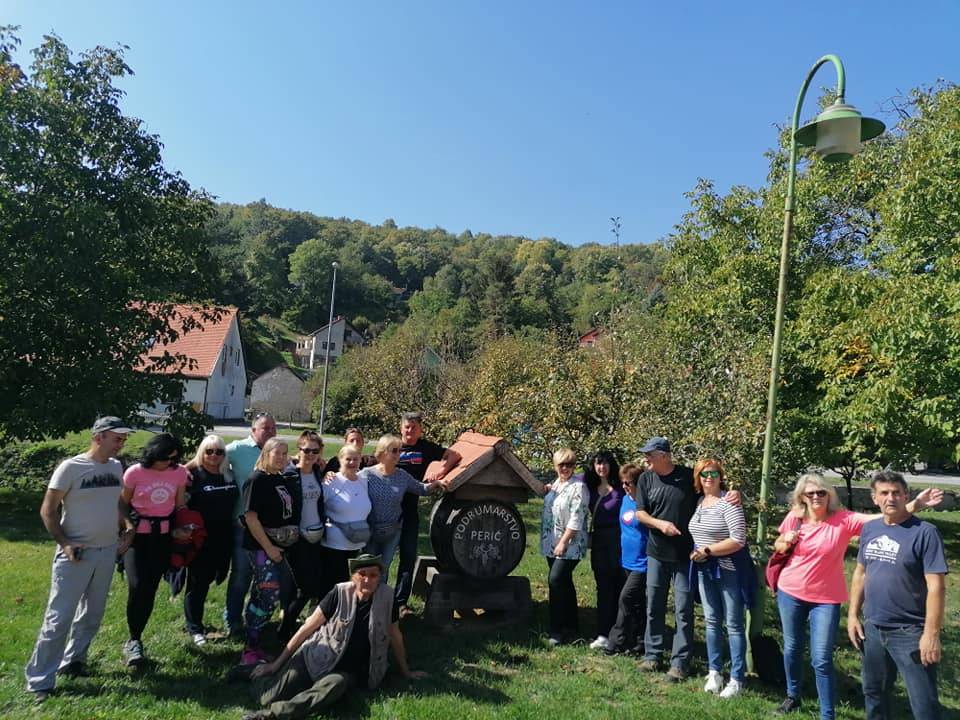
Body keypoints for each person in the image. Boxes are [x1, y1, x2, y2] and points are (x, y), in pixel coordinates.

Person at [771, 472, 941, 718]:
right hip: (791, 591)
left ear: (829, 495)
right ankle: (792, 695)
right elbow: (779, 544)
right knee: (792, 648)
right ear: (802, 497)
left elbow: (884, 515)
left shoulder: (844, 520)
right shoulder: (795, 518)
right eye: (810, 493)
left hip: (826, 598)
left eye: (821, 492)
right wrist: (784, 542)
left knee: (821, 658)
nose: (816, 497)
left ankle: (827, 714)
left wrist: (917, 504)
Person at [25, 416, 134, 703]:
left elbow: (116, 501)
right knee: (58, 618)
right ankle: (39, 680)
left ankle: (73, 661)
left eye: (124, 438)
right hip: (75, 555)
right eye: (117, 438)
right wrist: (65, 543)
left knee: (92, 614)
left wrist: (127, 525)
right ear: (98, 437)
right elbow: (48, 510)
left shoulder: (115, 466)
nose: (122, 443)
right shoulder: (70, 468)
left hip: (107, 551)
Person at [242, 554, 425, 720]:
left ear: (380, 578)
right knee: (268, 696)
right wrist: (276, 665)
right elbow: (306, 628)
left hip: (346, 670)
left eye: (373, 575)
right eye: (362, 574)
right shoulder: (339, 593)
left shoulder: (388, 598)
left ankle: (271, 715)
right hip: (316, 657)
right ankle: (249, 672)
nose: (367, 580)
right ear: (353, 577)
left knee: (333, 686)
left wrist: (406, 671)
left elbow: (395, 635)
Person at [848, 471, 947, 720]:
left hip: (910, 632)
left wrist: (931, 634)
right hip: (873, 628)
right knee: (874, 694)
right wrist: (852, 615)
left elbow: (936, 587)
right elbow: (860, 573)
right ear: (874, 498)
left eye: (896, 493)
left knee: (924, 704)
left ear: (906, 496)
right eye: (884, 493)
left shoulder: (925, 532)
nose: (890, 498)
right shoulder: (870, 529)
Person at [119, 432, 190, 667]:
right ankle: (133, 639)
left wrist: (182, 529)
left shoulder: (178, 473)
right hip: (137, 538)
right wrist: (128, 526)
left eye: (174, 458)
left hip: (163, 538)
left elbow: (179, 505)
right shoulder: (135, 472)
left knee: (149, 589)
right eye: (165, 458)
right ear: (153, 454)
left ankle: (135, 638)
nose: (169, 463)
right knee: (136, 585)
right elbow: (122, 503)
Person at [687, 458, 748, 698]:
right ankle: (715, 671)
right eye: (704, 474)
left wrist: (708, 550)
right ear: (698, 478)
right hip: (704, 568)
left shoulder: (729, 503)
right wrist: (700, 552)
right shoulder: (699, 502)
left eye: (714, 473)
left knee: (733, 624)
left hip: (727, 570)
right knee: (712, 621)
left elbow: (738, 539)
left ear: (721, 477)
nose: (709, 478)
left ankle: (737, 678)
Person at [240, 437, 301, 666]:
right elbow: (251, 518)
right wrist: (269, 548)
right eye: (278, 453)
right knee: (269, 593)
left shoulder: (279, 478)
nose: (282, 457)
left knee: (263, 594)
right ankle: (250, 647)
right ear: (266, 453)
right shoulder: (257, 479)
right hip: (261, 547)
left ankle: (255, 638)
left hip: (280, 546)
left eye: (285, 453)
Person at [394, 411, 460, 616]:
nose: (410, 431)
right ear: (400, 428)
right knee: (381, 559)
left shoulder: (426, 448)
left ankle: (400, 603)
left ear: (420, 430)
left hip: (409, 510)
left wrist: (442, 471)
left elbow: (454, 455)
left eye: (414, 427)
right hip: (386, 510)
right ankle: (376, 600)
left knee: (407, 557)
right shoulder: (392, 445)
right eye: (407, 426)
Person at [361, 435, 443, 581]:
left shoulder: (402, 476)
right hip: (370, 530)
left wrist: (437, 483)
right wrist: (330, 476)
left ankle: (382, 595)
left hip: (393, 531)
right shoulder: (367, 474)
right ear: (383, 451)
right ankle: (366, 595)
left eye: (400, 451)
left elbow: (422, 489)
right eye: (394, 450)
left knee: (383, 568)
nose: (398, 454)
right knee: (368, 568)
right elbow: (348, 481)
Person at [183, 434, 239, 646]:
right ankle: (194, 627)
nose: (214, 455)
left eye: (219, 451)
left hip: (225, 536)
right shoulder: (193, 475)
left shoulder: (228, 474)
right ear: (201, 452)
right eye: (209, 451)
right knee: (198, 583)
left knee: (216, 576)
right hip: (201, 538)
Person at [225, 413, 278, 637]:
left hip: (269, 528)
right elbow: (205, 456)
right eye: (265, 428)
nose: (271, 431)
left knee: (264, 578)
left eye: (273, 427)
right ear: (253, 430)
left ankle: (255, 618)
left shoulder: (276, 451)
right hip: (243, 526)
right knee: (241, 575)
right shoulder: (237, 449)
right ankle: (233, 620)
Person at [279, 431, 328, 640]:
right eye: (306, 450)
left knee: (309, 584)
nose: (310, 455)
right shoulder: (289, 474)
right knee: (304, 588)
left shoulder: (317, 471)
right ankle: (285, 629)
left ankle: (289, 625)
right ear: (298, 450)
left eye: (314, 451)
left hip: (315, 536)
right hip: (296, 537)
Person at [540, 448, 588, 646]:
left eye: (570, 464)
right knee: (565, 583)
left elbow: (577, 517)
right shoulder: (556, 485)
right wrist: (547, 490)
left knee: (555, 580)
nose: (566, 468)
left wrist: (564, 542)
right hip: (551, 541)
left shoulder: (579, 487)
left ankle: (556, 630)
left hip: (569, 544)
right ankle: (572, 628)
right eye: (562, 465)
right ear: (555, 466)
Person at [604, 463, 649, 656]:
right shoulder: (624, 500)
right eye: (623, 482)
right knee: (637, 603)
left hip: (643, 562)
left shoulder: (646, 503)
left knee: (625, 598)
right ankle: (640, 641)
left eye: (628, 483)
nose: (624, 486)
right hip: (627, 560)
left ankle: (616, 641)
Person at [584, 450, 625, 650]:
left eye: (605, 463)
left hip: (619, 540)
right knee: (603, 587)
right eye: (598, 463)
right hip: (600, 540)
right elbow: (569, 477)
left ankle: (620, 633)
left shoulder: (621, 487)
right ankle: (603, 633)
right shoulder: (590, 487)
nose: (602, 467)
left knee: (619, 587)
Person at [318, 444, 371, 598]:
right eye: (348, 459)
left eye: (356, 459)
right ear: (340, 460)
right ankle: (323, 611)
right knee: (332, 585)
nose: (352, 462)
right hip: (334, 545)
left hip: (357, 543)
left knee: (349, 586)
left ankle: (343, 611)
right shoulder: (331, 481)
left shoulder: (364, 481)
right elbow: (318, 507)